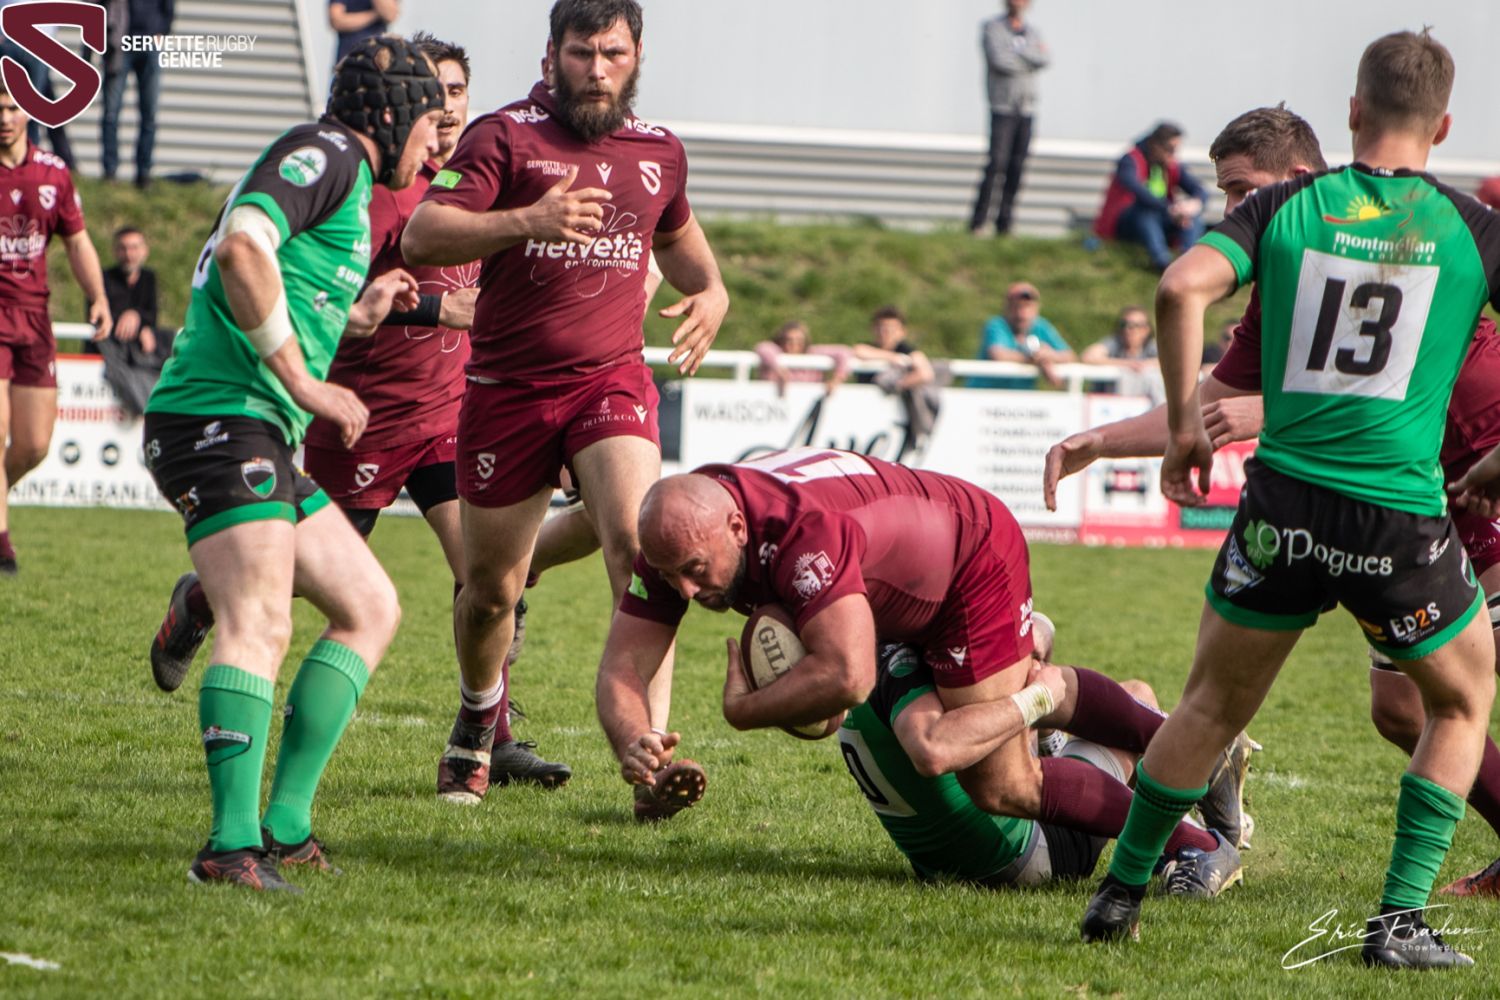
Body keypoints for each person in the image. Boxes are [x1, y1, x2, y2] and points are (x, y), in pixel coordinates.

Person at [1076, 33, 1500, 969]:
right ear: (1443, 126)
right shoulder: (1473, 228)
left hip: (1283, 510)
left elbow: (1179, 286)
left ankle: (1119, 893)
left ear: (1351, 112)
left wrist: (1185, 428)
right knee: (1462, 701)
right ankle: (1398, 924)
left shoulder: (1283, 207)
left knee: (1209, 704)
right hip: (1395, 516)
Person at [596, 447, 1253, 884]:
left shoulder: (800, 537)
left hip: (969, 561)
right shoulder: (684, 532)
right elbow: (623, 663)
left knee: (1001, 785)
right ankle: (1180, 738)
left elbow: (848, 677)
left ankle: (1197, 849)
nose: (686, 591)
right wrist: (633, 740)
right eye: (671, 576)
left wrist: (746, 711)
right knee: (972, 736)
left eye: (695, 571)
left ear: (737, 529)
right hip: (897, 585)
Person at [401, 0, 729, 810]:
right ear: (551, 56)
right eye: (582, 53)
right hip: (507, 391)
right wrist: (528, 220)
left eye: (612, 53)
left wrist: (714, 295)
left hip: (609, 382)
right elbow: (423, 235)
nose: (597, 69)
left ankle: (651, 760)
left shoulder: (658, 151)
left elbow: (684, 250)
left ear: (637, 55)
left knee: (643, 551)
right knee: (489, 592)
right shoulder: (504, 137)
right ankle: (477, 720)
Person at [140, 36, 445, 891]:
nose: (435, 147)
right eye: (432, 125)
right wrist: (305, 383)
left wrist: (360, 312)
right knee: (261, 623)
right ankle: (228, 848)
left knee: (370, 607)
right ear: (394, 116)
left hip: (254, 426)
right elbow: (243, 249)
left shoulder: (343, 177)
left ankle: (285, 826)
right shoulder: (331, 153)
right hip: (218, 419)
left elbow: (277, 281)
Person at [843, 620, 1189, 888]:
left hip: (940, 863)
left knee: (1017, 688)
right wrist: (1037, 698)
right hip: (1025, 854)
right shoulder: (901, 663)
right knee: (1137, 693)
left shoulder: (864, 654)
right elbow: (934, 750)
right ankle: (1186, 844)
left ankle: (1052, 740)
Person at [0, 82, 111, 576]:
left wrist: (99, 296)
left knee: (33, 444)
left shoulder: (54, 172)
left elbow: (78, 241)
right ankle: (2, 546)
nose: (4, 118)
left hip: (35, 318)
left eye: (11, 108)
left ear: (27, 113)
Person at [968, 0, 1047, 237]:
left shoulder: (1032, 31)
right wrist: (1028, 59)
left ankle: (1005, 224)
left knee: (1017, 166)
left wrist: (1018, 53)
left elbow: (1044, 59)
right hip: (1002, 106)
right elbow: (999, 60)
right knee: (997, 163)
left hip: (1026, 108)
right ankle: (978, 222)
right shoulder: (992, 28)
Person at [1094, 122, 1208, 272]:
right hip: (1126, 222)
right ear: (1155, 145)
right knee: (1145, 211)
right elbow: (1138, 191)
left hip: (1162, 218)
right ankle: (1161, 262)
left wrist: (1193, 205)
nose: (1173, 154)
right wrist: (1170, 209)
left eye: (1175, 150)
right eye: (1169, 149)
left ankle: (1188, 261)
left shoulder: (1172, 164)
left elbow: (1199, 190)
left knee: (1191, 215)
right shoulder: (1129, 160)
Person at [93, 225, 171, 415]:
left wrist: (139, 320)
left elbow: (151, 314)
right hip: (111, 347)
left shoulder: (148, 278)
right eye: (124, 248)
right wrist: (131, 320)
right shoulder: (103, 279)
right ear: (115, 251)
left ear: (144, 251)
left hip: (141, 349)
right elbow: (97, 314)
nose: (129, 254)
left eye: (134, 248)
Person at [853, 305, 941, 459]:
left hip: (895, 421)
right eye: (881, 327)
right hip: (866, 420)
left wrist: (898, 385)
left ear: (902, 331)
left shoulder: (906, 350)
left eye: (891, 328)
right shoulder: (872, 348)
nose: (885, 332)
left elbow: (925, 372)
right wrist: (891, 357)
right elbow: (858, 350)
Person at [101, 0, 173, 188]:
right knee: (111, 113)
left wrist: (161, 32)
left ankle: (143, 174)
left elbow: (168, 9)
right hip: (119, 43)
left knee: (149, 114)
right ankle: (110, 172)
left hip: (149, 44)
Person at [968, 282, 1073, 390]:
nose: (1022, 314)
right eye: (1017, 307)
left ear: (1036, 308)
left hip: (1020, 397)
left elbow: (1069, 355)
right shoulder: (997, 325)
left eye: (1027, 306)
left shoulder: (1041, 326)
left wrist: (1049, 355)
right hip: (986, 394)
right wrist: (1036, 359)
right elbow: (998, 354)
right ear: (1007, 307)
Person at [754, 321, 851, 397]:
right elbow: (763, 347)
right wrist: (779, 370)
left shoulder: (813, 353)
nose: (794, 344)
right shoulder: (777, 354)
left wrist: (836, 380)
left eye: (799, 340)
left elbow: (844, 352)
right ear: (781, 340)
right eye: (789, 340)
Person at [1081, 306, 1158, 397]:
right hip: (1107, 401)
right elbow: (1088, 356)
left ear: (1146, 329)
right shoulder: (1115, 342)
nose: (1129, 329)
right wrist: (1128, 364)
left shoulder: (1150, 346)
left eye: (1136, 325)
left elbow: (1170, 361)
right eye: (1124, 324)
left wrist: (1144, 365)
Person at [329, 0, 398, 63]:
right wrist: (375, 14)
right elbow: (336, 21)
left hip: (378, 58)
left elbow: (389, 15)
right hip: (349, 57)